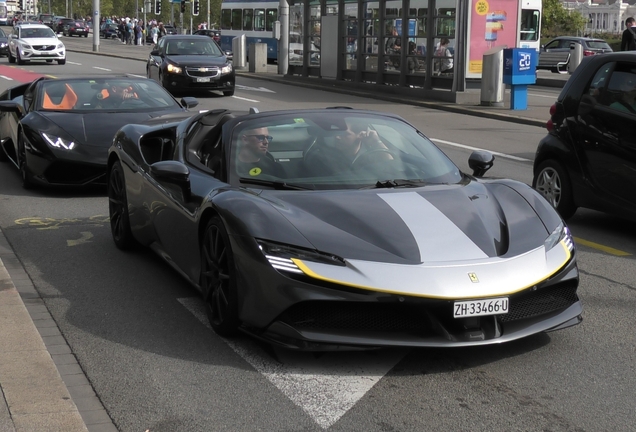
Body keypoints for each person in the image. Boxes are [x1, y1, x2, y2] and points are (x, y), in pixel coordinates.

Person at [304, 119, 393, 176]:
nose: (337, 137)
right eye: (337, 133)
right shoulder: (324, 158)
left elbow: (393, 168)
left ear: (360, 135)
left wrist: (377, 142)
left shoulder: (372, 155)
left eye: (345, 134)